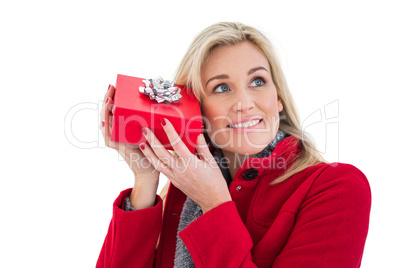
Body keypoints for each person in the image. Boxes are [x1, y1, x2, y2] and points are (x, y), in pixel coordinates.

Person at [97, 22, 371, 267]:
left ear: (278, 98)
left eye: (258, 81)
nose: (244, 103)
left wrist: (214, 204)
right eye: (222, 88)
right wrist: (145, 178)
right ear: (197, 109)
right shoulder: (184, 190)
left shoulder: (338, 187)